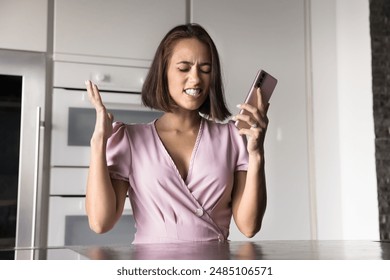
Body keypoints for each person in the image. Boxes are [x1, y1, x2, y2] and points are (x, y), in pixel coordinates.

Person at [85, 23, 268, 244]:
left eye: (206, 69)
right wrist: (98, 145)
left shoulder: (232, 138)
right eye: (184, 68)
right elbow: (100, 222)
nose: (196, 79)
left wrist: (257, 154)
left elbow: (249, 227)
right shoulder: (131, 139)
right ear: (163, 72)